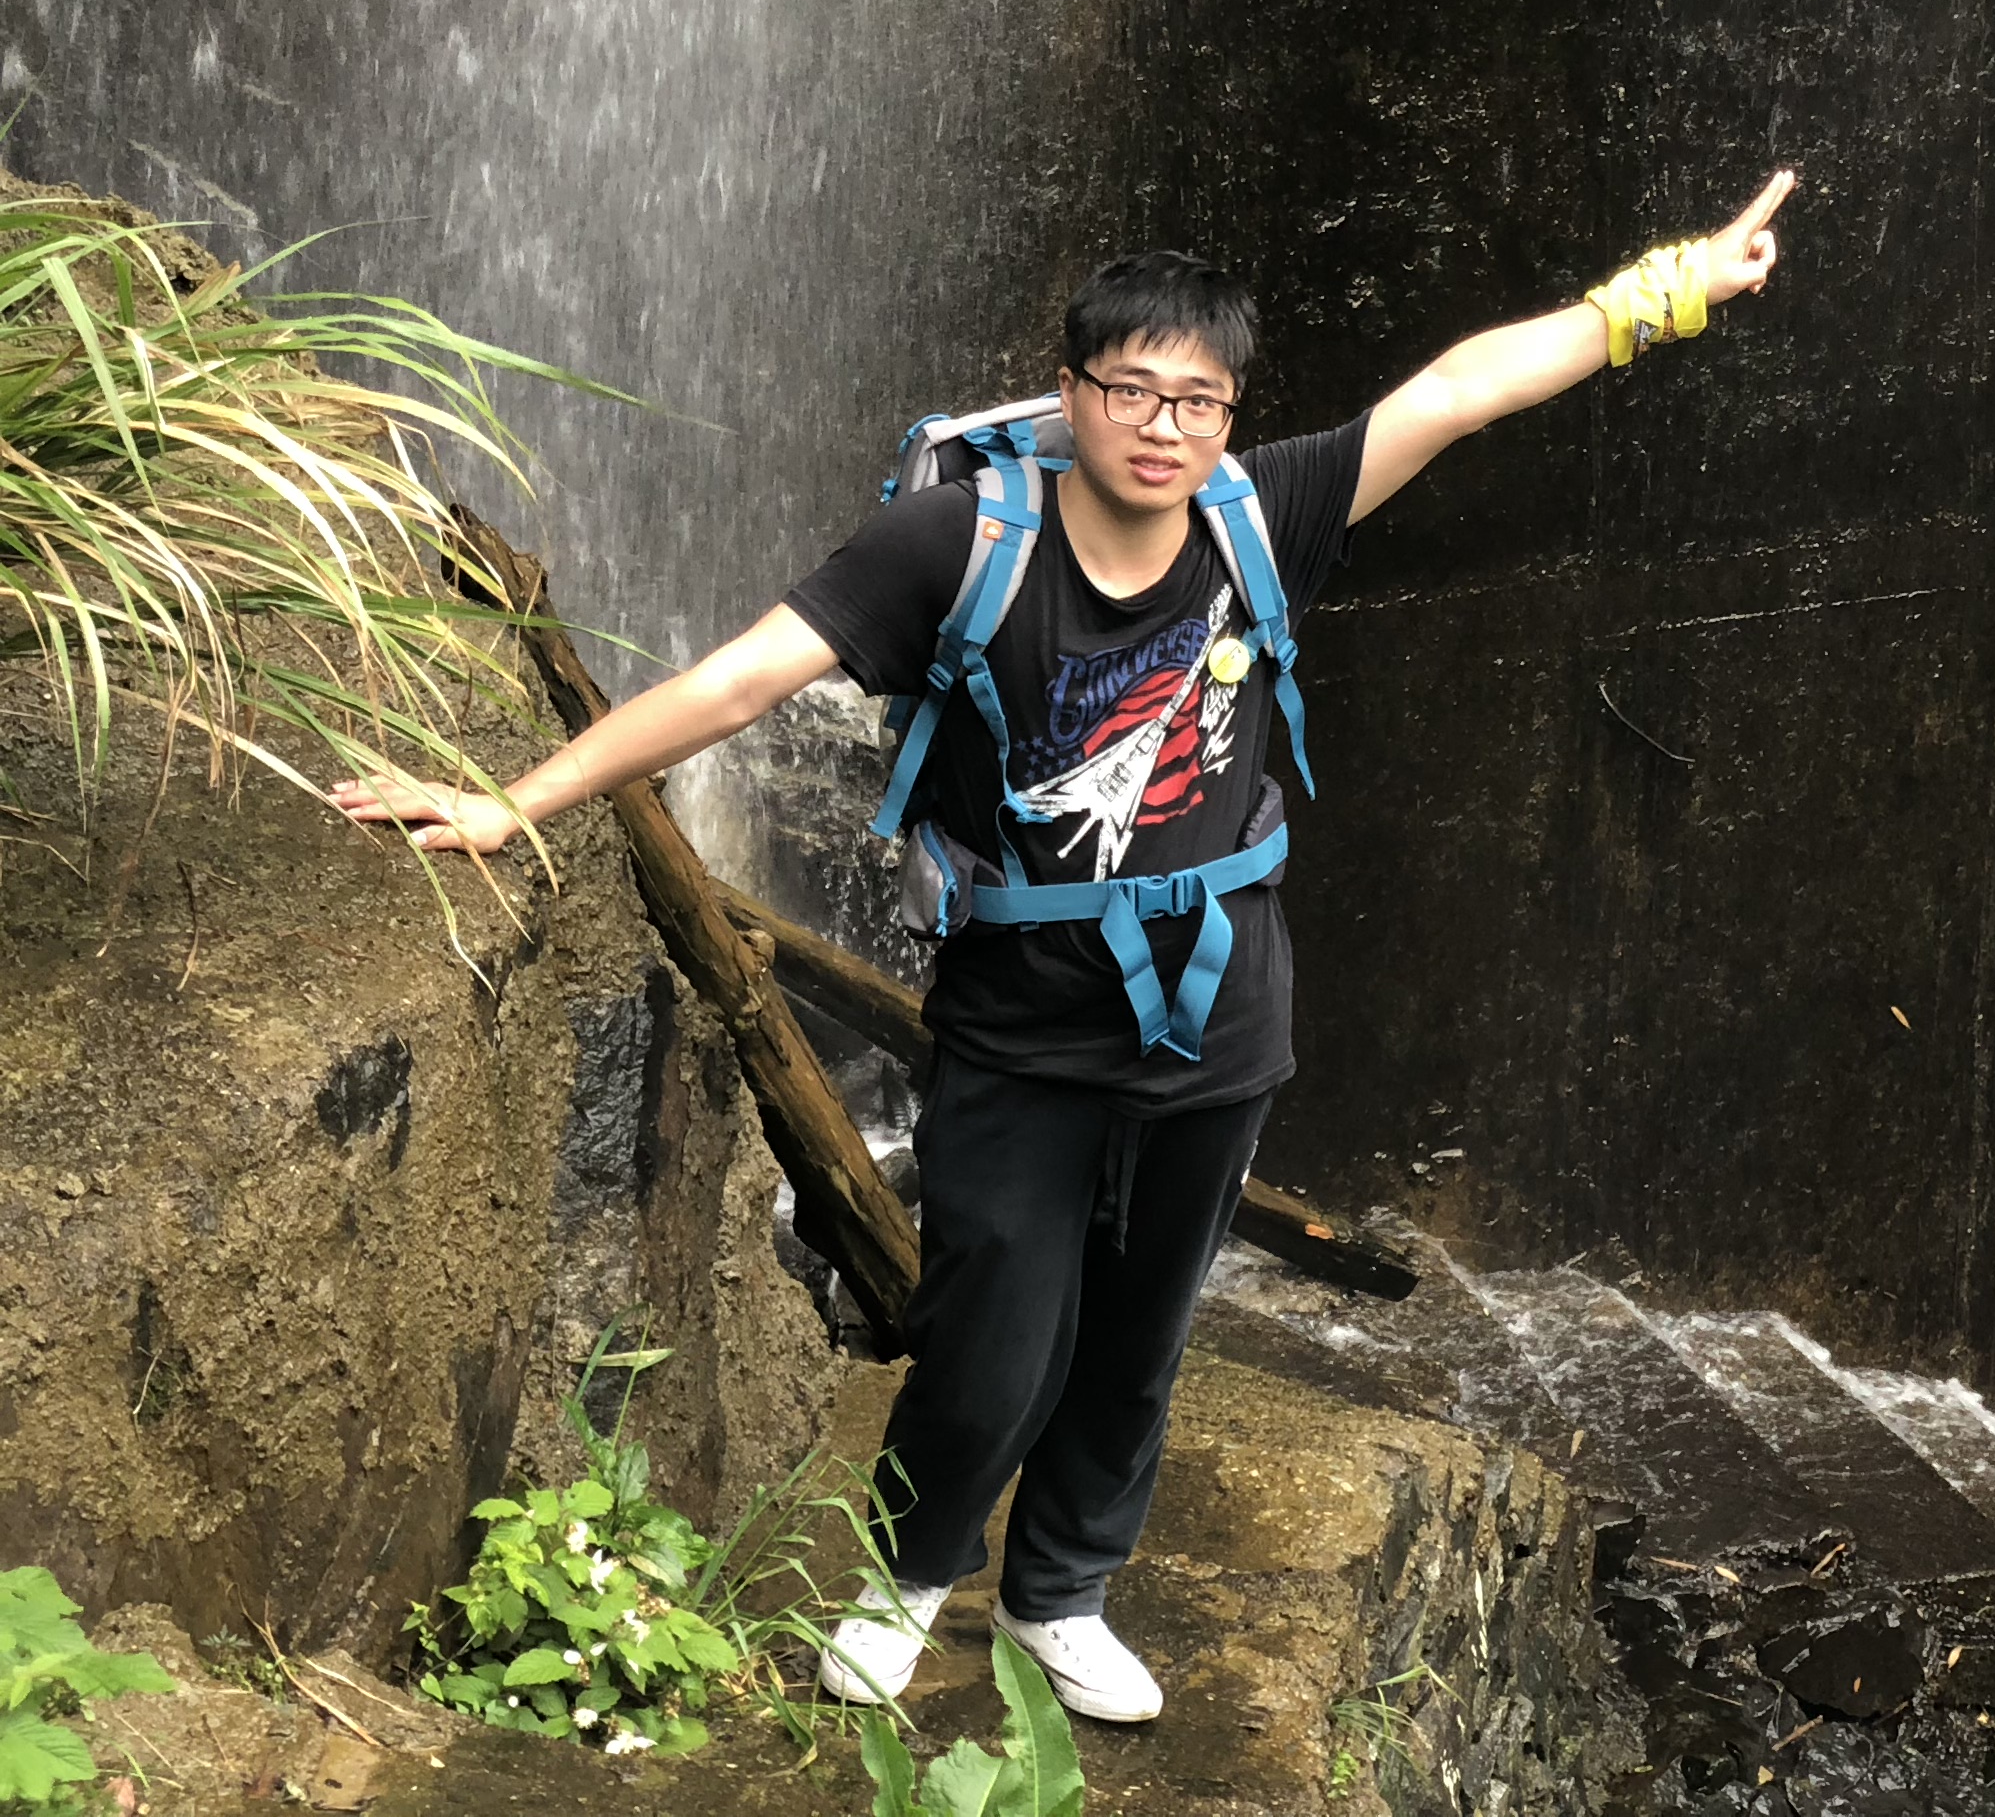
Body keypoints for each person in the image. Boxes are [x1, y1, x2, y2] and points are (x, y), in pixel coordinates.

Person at [334, 171, 1798, 1723]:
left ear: (1230, 415)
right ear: (1073, 388)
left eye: (1200, 401)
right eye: (1133, 390)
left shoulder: (1260, 516)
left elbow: (1459, 392)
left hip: (1219, 1022)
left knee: (1141, 1341)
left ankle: (1060, 1598)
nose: (1165, 427)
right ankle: (907, 1581)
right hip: (1022, 1030)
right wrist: (513, 802)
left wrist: (1666, 293)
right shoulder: (952, 546)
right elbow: (736, 682)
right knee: (991, 1336)